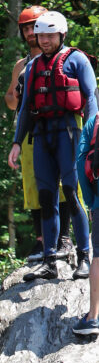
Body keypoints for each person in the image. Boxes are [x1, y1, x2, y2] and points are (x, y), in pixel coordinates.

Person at [8, 11, 97, 282]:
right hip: (42, 136)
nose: (44, 40)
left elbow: (92, 99)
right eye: (40, 35)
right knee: (46, 198)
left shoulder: (77, 60)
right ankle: (49, 259)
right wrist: (15, 143)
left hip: (70, 134)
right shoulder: (32, 66)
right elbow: (24, 109)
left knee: (71, 193)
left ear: (61, 35)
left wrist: (93, 138)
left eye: (49, 35)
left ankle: (84, 256)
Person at [4, 5, 75, 263]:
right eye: (26, 28)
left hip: (62, 127)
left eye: (34, 26)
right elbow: (11, 102)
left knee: (65, 182)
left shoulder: (67, 58)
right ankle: (41, 239)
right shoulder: (22, 65)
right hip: (31, 129)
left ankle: (64, 237)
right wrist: (17, 95)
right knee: (34, 184)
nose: (31, 32)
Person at [74, 110, 99, 336]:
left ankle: (93, 317)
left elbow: (81, 161)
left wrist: (91, 202)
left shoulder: (94, 122)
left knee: (98, 257)